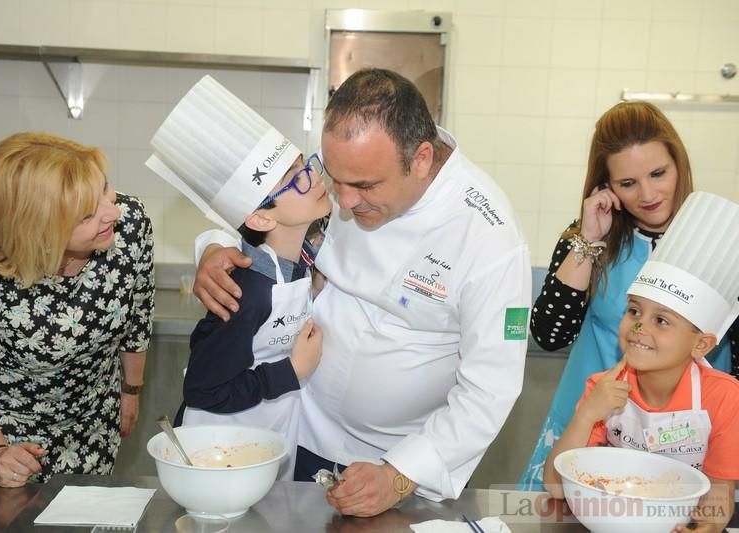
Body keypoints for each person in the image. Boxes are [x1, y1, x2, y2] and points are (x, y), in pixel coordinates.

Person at [192, 68, 532, 517]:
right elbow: (260, 208)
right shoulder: (350, 160)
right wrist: (214, 248)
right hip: (302, 426)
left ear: (422, 159)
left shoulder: (489, 238)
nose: (345, 201)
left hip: (401, 461)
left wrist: (397, 475)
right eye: (335, 179)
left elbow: (491, 388)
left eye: (366, 187)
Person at [519, 101, 739, 490]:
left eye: (658, 173)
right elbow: (550, 335)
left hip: (689, 441)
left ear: (679, 164)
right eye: (628, 183)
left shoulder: (721, 241)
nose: (648, 193)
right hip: (594, 422)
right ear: (606, 186)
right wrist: (588, 239)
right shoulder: (591, 237)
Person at [0, 132, 154, 487]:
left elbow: (138, 312)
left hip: (95, 422)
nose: (112, 211)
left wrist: (130, 391)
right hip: (8, 434)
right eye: (87, 214)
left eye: (104, 188)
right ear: (39, 228)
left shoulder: (128, 225)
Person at [145, 76, 327, 478]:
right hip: (220, 448)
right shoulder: (247, 291)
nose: (314, 179)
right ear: (261, 217)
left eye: (307, 166)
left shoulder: (302, 260)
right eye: (296, 180)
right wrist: (290, 372)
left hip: (268, 436)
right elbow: (203, 390)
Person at [544, 191, 739, 533]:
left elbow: (719, 495)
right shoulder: (603, 388)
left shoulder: (725, 400)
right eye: (634, 310)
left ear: (702, 343)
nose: (638, 327)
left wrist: (705, 528)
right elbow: (556, 486)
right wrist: (589, 412)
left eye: (661, 320)